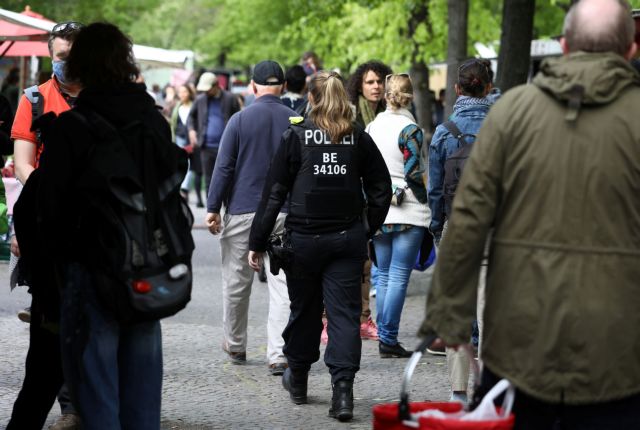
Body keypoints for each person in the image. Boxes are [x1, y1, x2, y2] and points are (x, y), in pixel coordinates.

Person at [420, 0, 640, 428]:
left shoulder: (513, 113)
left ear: (563, 45)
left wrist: (450, 317)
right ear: (631, 49)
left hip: (520, 341)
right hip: (620, 350)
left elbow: (466, 220)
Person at [32, 22, 185, 429]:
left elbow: (50, 212)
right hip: (146, 269)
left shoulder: (72, 127)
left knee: (98, 397)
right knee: (142, 392)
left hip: (90, 272)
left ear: (80, 67)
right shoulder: (152, 123)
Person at [247, 70, 391, 422]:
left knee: (305, 311)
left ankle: (297, 379)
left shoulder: (296, 135)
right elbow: (380, 189)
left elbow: (274, 194)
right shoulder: (356, 136)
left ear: (310, 99)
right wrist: (366, 228)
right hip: (346, 241)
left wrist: (258, 242)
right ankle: (343, 393)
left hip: (304, 241)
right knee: (343, 316)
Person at [8, 21, 84, 430]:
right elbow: (22, 162)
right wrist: (49, 192)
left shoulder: (109, 99)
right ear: (51, 56)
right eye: (60, 56)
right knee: (50, 327)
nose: (66, 63)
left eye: (73, 56)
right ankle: (67, 406)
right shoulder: (35, 99)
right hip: (51, 230)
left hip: (100, 232)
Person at [206, 60, 293, 375]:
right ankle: (279, 353)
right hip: (284, 213)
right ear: (282, 87)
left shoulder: (239, 120)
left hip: (243, 210)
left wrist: (213, 207)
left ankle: (236, 344)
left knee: (236, 281)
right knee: (282, 284)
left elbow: (224, 167)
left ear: (253, 87)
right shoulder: (297, 120)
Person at [427, 58, 494, 404]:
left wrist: (438, 230)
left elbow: (435, 191)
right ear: (489, 87)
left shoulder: (444, 132)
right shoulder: (504, 128)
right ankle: (493, 387)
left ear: (456, 89)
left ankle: (457, 391)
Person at [365, 74, 429, 359]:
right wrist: (427, 200)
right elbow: (414, 173)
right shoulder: (411, 129)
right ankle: (388, 338)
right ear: (410, 97)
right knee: (399, 275)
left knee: (386, 277)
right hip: (409, 211)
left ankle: (386, 335)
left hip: (378, 210)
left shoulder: (372, 127)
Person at [188, 72, 240, 198]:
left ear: (216, 85)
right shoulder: (200, 99)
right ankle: (210, 209)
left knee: (227, 177)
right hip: (206, 145)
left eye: (208, 89)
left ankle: (226, 206)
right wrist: (191, 130)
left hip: (226, 145)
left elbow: (239, 118)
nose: (206, 92)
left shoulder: (230, 98)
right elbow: (191, 116)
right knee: (208, 179)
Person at [170, 84, 198, 202]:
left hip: (191, 139)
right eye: (180, 92)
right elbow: (173, 123)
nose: (182, 94)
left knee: (190, 164)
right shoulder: (177, 107)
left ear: (189, 93)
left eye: (184, 92)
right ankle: (180, 188)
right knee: (180, 163)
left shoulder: (194, 106)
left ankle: (184, 188)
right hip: (179, 137)